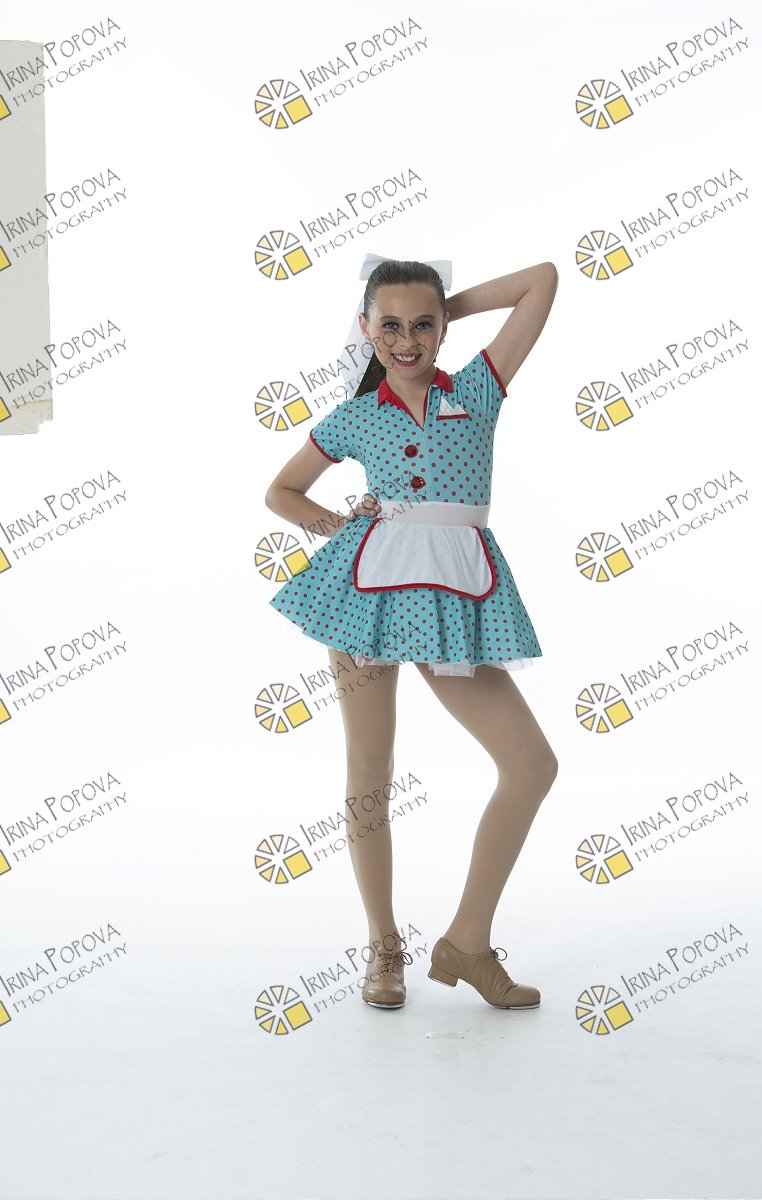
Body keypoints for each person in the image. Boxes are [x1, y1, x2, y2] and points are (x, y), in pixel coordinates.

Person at [265, 255, 560, 1011]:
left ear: (443, 327)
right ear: (365, 329)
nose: (406, 340)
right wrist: (335, 525)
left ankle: (467, 941)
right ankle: (383, 946)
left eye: (422, 324)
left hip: (453, 594)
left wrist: (447, 305)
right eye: (389, 326)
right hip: (364, 593)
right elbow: (282, 491)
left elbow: (543, 279)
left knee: (530, 765)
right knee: (371, 766)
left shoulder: (477, 390)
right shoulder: (356, 414)